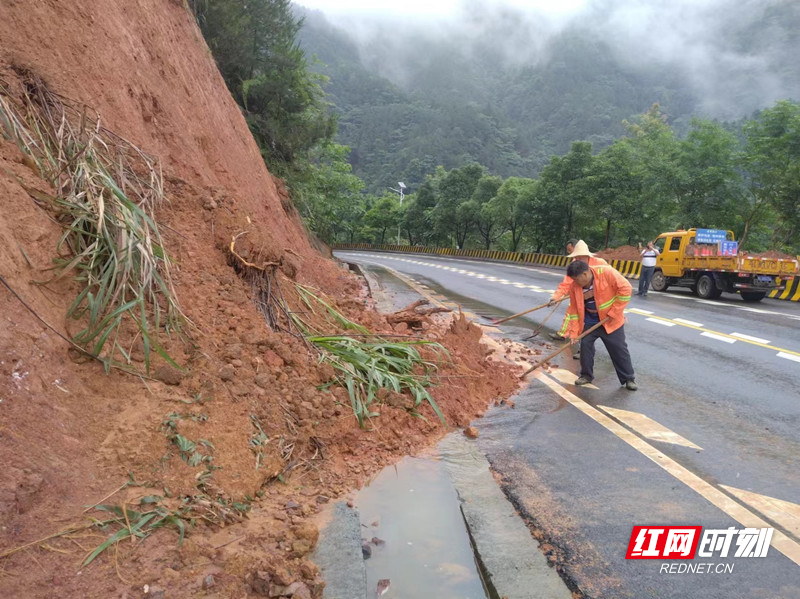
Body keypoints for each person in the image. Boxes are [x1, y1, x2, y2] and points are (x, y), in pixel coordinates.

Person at [559, 260, 637, 390]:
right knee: (585, 346)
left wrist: (614, 312)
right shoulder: (574, 287)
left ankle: (629, 378)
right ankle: (586, 376)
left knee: (618, 349)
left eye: (577, 279)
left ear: (584, 274)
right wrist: (574, 332)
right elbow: (573, 310)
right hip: (590, 320)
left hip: (611, 320)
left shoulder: (606, 273)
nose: (575, 283)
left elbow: (626, 289)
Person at [547, 240, 608, 347]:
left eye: (580, 257)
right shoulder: (574, 265)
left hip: (600, 302)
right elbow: (566, 284)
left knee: (610, 336)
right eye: (576, 257)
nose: (577, 260)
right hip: (582, 298)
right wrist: (556, 297)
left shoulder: (600, 263)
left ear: (587, 255)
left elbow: (613, 282)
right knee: (579, 321)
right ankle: (580, 347)